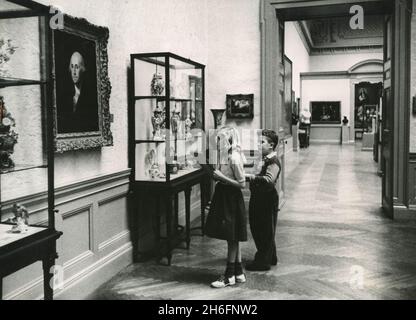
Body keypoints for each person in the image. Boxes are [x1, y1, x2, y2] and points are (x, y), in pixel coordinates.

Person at [205, 126, 247, 288]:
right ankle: (238, 272)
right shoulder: (225, 155)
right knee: (233, 235)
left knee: (232, 236)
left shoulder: (234, 157)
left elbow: (242, 184)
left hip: (231, 197)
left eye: (220, 139)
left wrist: (222, 177)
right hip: (224, 194)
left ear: (229, 140)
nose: (217, 142)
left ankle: (229, 276)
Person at [245, 129, 281, 271]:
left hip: (266, 198)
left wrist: (250, 177)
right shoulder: (265, 158)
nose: (259, 145)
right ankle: (271, 256)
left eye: (262, 142)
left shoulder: (273, 161)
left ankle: (262, 261)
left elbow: (269, 180)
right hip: (260, 197)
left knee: (263, 229)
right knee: (263, 228)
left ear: (271, 145)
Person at [57, 51, 99, 134]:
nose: (74, 72)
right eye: (72, 67)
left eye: (77, 67)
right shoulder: (65, 95)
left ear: (82, 69)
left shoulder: (90, 95)